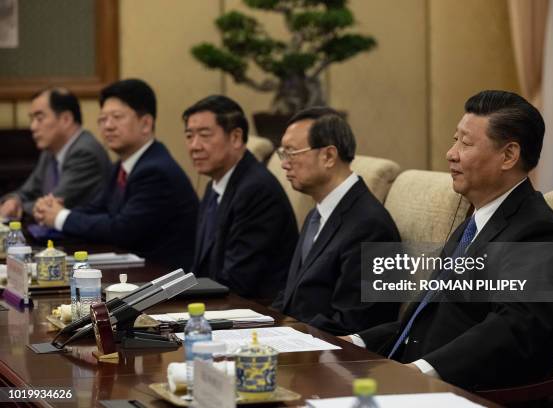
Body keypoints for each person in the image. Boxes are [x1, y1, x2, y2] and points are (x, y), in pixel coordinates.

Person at [343, 90, 553, 390]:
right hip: (418, 381)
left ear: (508, 155)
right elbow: (423, 321)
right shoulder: (473, 224)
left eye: (465, 143)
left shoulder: (539, 234)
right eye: (455, 140)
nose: (451, 153)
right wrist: (352, 342)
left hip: (472, 394)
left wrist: (417, 372)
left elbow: (512, 331)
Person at [34, 79, 198, 271]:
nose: (108, 126)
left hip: (166, 282)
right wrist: (53, 210)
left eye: (117, 117)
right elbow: (97, 208)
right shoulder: (121, 165)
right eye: (103, 119)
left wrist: (61, 216)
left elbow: (121, 230)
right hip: (135, 273)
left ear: (146, 124)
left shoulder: (155, 170)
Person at [271, 107, 401, 335]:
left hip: (333, 358)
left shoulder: (370, 225)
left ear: (329, 156)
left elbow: (355, 322)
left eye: (291, 152)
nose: (284, 164)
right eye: (283, 154)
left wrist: (286, 332)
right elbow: (291, 297)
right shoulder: (317, 213)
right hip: (296, 343)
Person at [185, 95, 298, 300]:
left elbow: (238, 281)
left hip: (258, 312)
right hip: (218, 304)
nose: (194, 146)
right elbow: (202, 268)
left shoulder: (256, 190)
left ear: (236, 137)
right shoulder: (215, 184)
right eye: (189, 136)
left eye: (204, 135)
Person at [0, 88, 110, 219]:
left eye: (39, 118)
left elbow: (51, 206)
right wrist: (13, 200)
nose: (33, 127)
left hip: (85, 237)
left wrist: (19, 206)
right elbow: (27, 191)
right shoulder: (50, 151)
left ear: (66, 119)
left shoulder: (85, 153)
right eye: (32, 119)